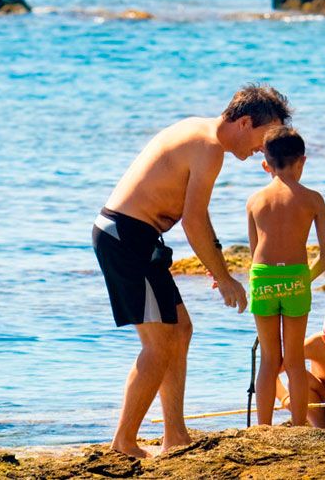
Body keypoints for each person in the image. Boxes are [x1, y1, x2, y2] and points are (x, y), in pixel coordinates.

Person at [92, 84, 291, 457]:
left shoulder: (201, 133)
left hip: (136, 237)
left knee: (180, 331)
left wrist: (214, 264)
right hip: (126, 237)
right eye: (264, 139)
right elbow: (193, 220)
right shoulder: (209, 147)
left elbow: (194, 215)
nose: (262, 150)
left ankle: (175, 435)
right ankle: (123, 442)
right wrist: (226, 276)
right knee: (159, 344)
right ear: (245, 122)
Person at [246, 126, 325, 426]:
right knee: (294, 360)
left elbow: (254, 249)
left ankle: (263, 428)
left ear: (265, 165)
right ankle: (298, 427)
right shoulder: (313, 199)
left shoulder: (254, 201)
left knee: (270, 360)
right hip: (296, 277)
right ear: (302, 161)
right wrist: (305, 278)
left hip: (262, 278)